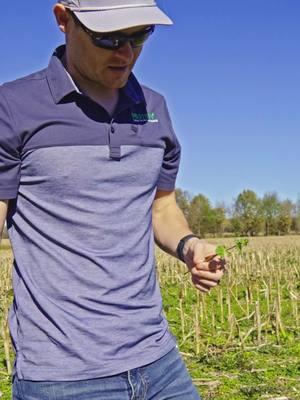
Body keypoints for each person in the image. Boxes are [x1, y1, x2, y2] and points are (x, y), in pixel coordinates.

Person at [0, 1, 225, 399]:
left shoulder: (154, 109)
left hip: (158, 362)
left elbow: (161, 207)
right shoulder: (13, 108)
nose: (126, 52)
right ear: (64, 20)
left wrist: (189, 246)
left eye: (139, 36)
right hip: (62, 377)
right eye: (109, 37)